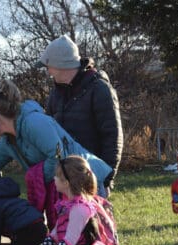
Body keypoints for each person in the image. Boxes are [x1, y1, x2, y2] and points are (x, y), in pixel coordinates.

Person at [0, 79, 113, 227]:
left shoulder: (33, 123)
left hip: (86, 183)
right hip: (66, 191)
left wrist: (34, 176)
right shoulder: (8, 142)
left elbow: (58, 156)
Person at [19, 155, 137, 245]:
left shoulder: (80, 209)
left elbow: (67, 244)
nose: (53, 179)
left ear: (67, 183)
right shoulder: (66, 205)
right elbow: (54, 235)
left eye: (57, 176)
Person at [36, 35, 123, 191]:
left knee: (91, 216)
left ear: (60, 65)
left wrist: (106, 177)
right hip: (65, 182)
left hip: (93, 178)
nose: (48, 71)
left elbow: (112, 136)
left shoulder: (99, 90)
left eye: (48, 66)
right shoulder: (55, 95)